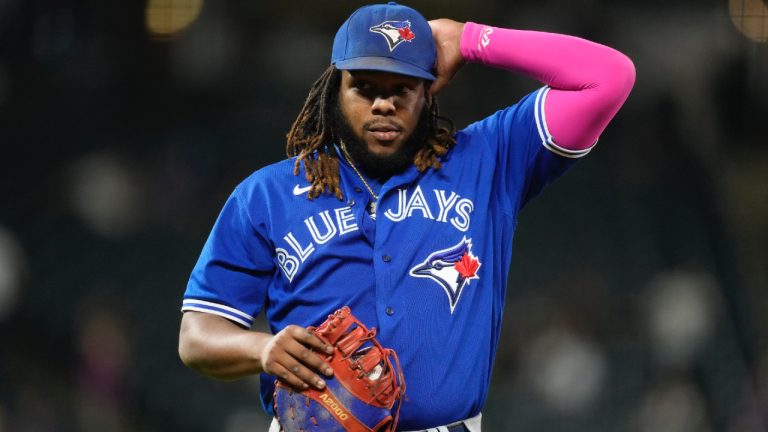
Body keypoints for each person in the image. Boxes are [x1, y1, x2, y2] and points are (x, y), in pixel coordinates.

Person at [177, 2, 635, 431]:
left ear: (428, 92)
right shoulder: (266, 194)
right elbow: (196, 335)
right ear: (335, 90)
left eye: (403, 88)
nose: (384, 104)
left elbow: (608, 77)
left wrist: (471, 39)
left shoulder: (488, 161)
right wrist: (262, 348)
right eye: (365, 88)